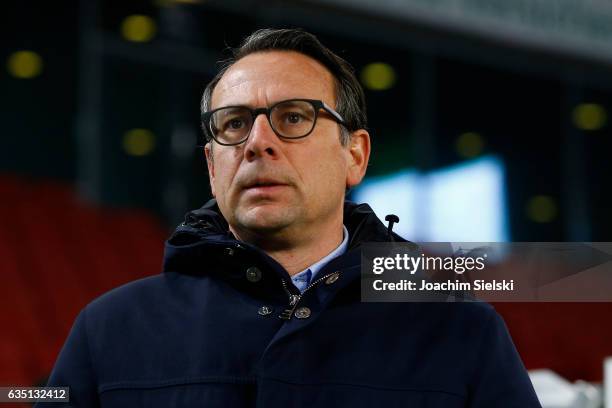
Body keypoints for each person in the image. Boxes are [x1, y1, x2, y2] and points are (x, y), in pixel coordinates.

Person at [42, 28, 541, 407]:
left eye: (294, 117)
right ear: (213, 166)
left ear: (355, 156)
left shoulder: (462, 331)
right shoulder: (108, 330)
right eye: (234, 124)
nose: (258, 142)